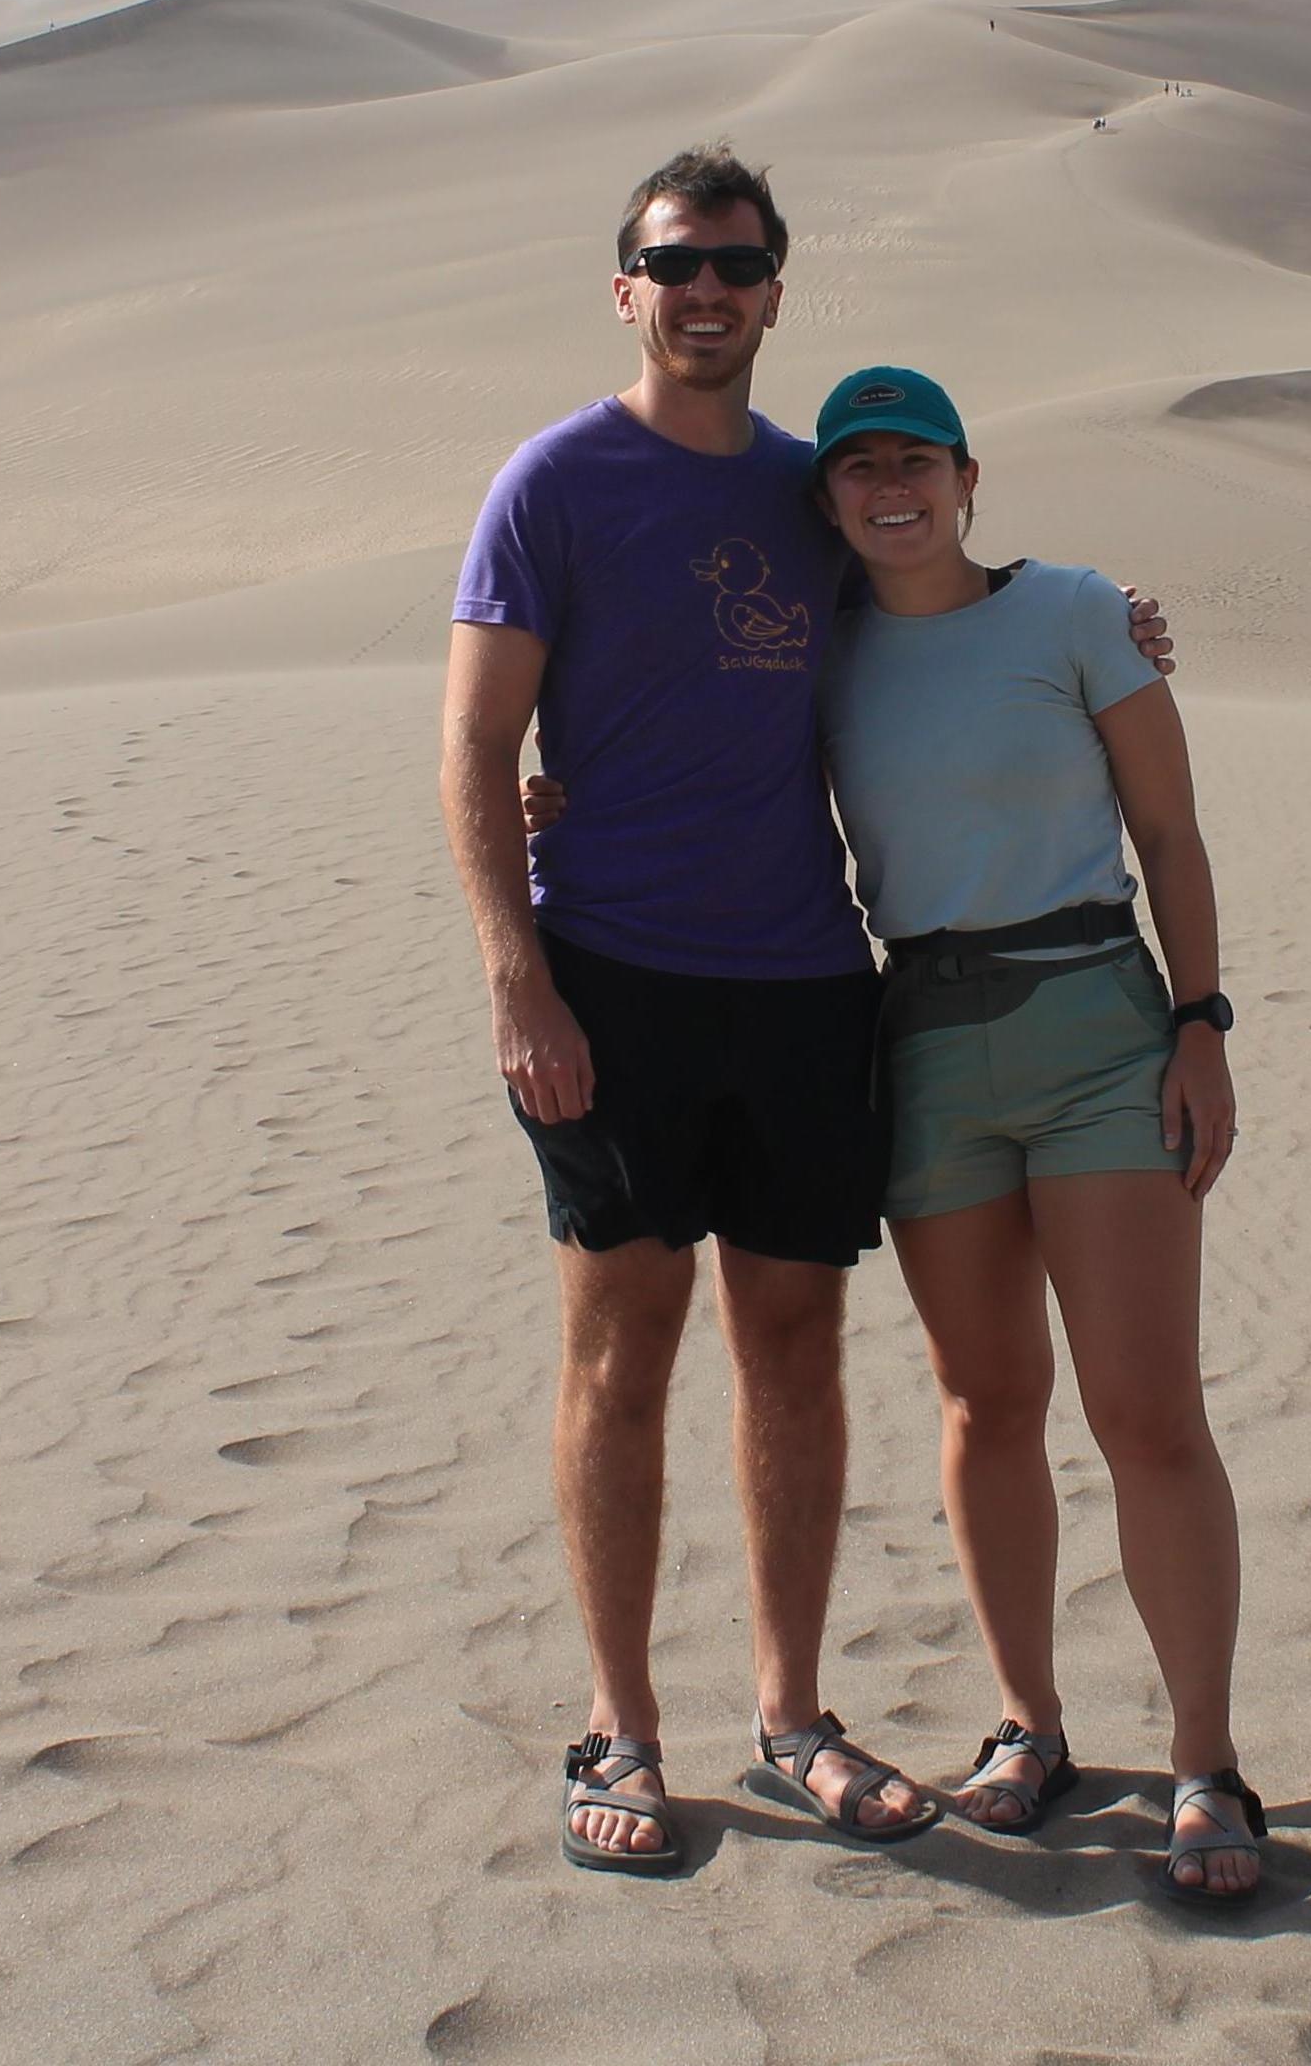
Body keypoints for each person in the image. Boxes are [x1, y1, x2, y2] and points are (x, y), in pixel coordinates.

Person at [441, 149, 1170, 1876]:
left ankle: (790, 1714)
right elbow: (478, 747)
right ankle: (620, 1722)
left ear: (775, 293)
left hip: (804, 983)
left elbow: (941, 605)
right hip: (611, 978)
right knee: (621, 1352)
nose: (708, 293)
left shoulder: (807, 491)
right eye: (674, 263)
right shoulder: (553, 485)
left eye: (739, 267)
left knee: (795, 1351)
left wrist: (1107, 624)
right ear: (625, 285)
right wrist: (518, 977)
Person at [809, 363, 1264, 1906]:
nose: (891, 486)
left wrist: (1201, 1025)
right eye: (857, 464)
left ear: (968, 476)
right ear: (827, 496)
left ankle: (1205, 1761)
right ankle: (1032, 1726)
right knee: (985, 1401)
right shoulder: (820, 651)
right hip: (924, 1040)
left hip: (1094, 1024)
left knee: (1147, 1411)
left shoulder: (1074, 612)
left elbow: (1173, 833)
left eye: (915, 460)